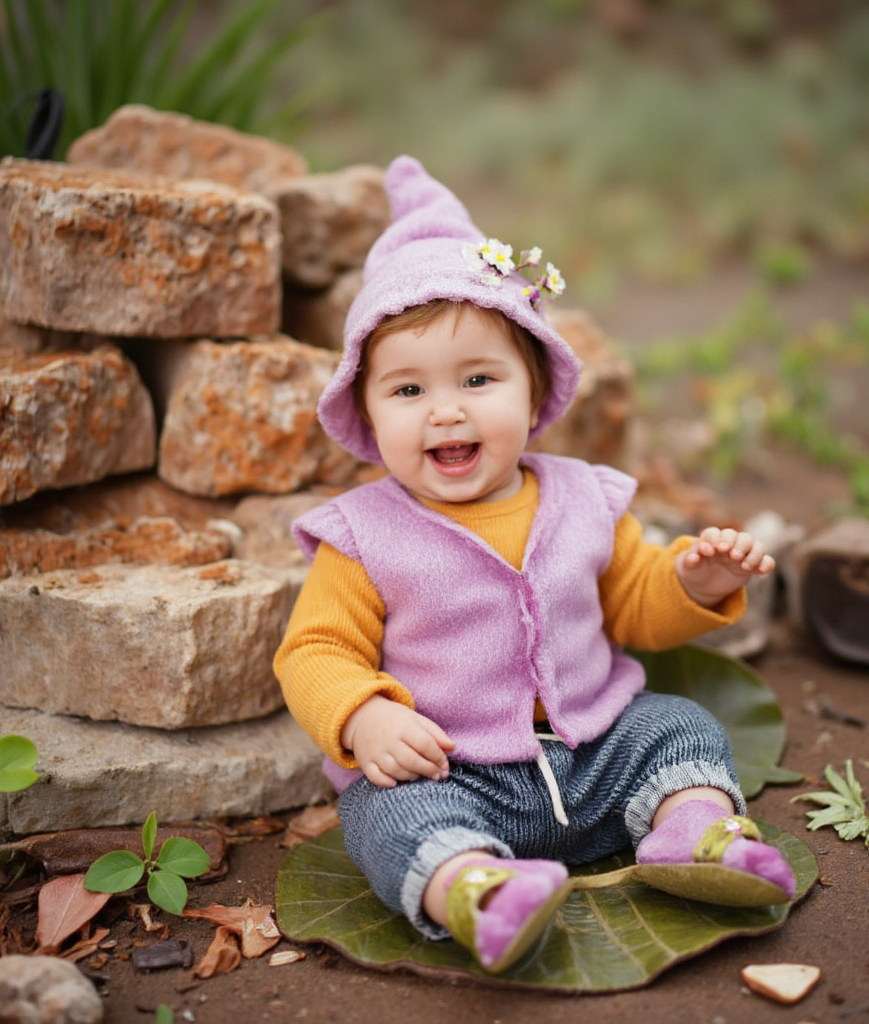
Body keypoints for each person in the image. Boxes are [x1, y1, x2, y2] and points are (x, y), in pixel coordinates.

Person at [275, 156, 795, 974]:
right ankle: (476, 889)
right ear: (368, 416)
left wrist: (695, 582)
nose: (445, 408)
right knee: (382, 813)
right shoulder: (363, 535)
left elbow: (631, 604)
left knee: (680, 727)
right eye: (407, 391)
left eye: (478, 378)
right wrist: (363, 717)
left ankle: (693, 834)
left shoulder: (584, 499)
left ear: (533, 389)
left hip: (600, 752)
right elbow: (313, 651)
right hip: (454, 771)